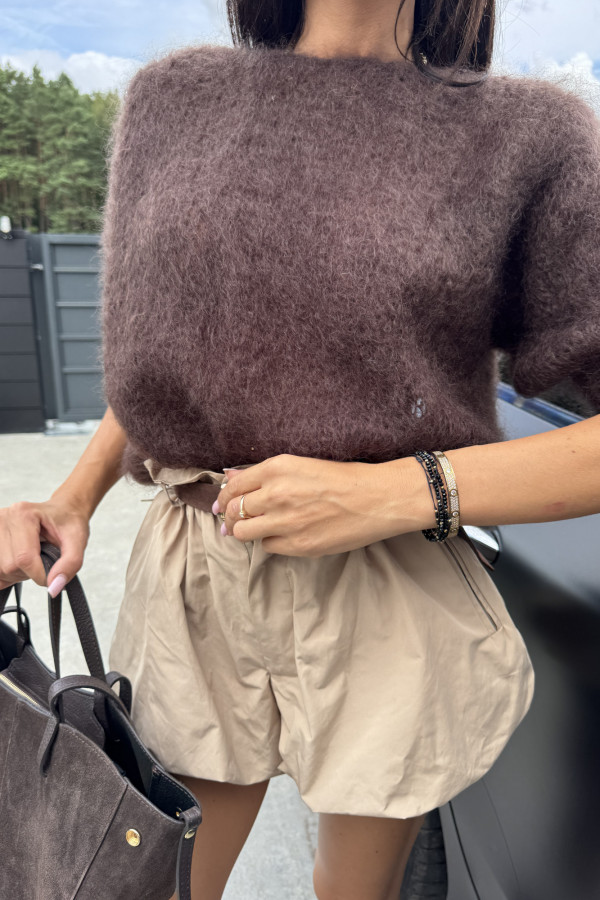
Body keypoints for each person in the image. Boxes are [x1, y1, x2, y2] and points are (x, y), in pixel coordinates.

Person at [2, 1, 600, 898]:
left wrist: (395, 493)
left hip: (390, 580)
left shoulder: (526, 136)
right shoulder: (173, 100)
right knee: (152, 880)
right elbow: (168, 351)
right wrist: (74, 496)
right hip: (198, 571)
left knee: (349, 892)